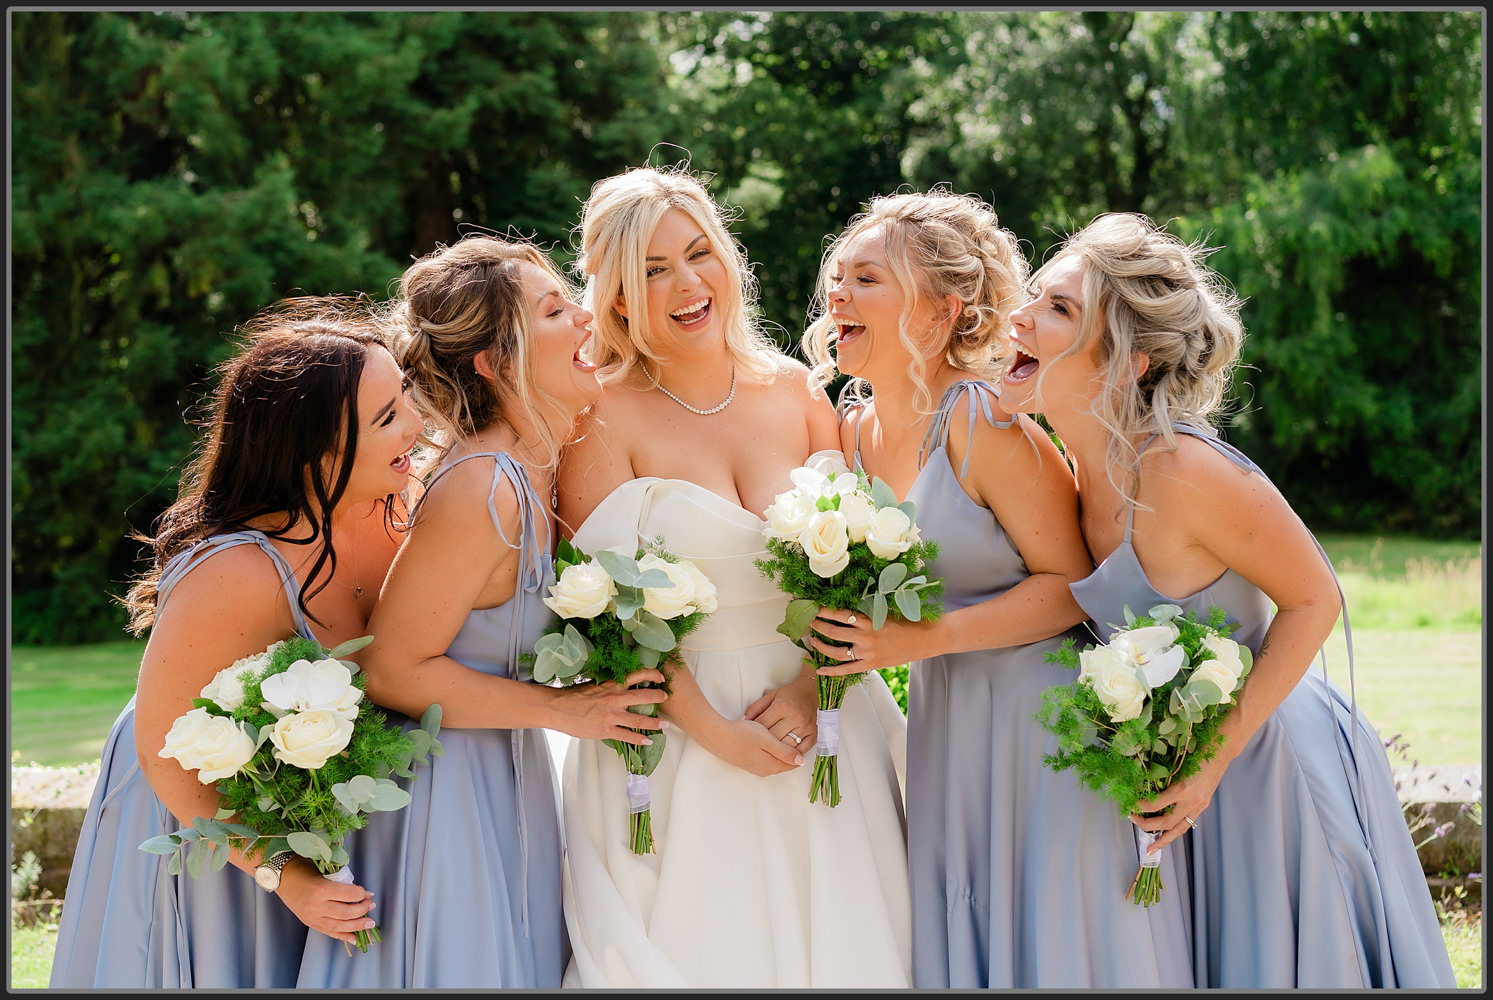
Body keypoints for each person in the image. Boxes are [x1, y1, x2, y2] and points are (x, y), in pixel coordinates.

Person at [998, 211, 1456, 988]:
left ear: (1130, 362)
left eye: (1057, 309)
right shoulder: (1069, 472)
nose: (1019, 317)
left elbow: (1315, 597)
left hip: (1267, 756)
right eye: (1034, 296)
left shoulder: (1182, 470)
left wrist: (1211, 758)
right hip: (1180, 769)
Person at [796, 190, 1196, 988]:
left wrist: (918, 642)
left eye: (866, 279)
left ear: (944, 311)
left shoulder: (983, 420)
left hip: (1040, 722)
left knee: (1058, 936)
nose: (836, 293)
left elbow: (1073, 586)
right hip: (947, 723)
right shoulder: (850, 427)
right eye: (837, 277)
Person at [553, 164, 913, 988]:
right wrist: (714, 734)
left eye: (698, 253)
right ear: (614, 297)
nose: (687, 284)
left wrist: (808, 689)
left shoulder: (794, 389)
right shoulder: (598, 416)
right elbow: (602, 614)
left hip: (820, 721)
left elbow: (853, 572)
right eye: (652, 269)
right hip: (683, 734)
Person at [295, 234, 665, 989]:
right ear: (495, 365)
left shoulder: (534, 464)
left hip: (501, 773)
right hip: (445, 799)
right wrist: (570, 713)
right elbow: (392, 670)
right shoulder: (483, 487)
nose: (588, 319)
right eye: (556, 310)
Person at [50, 299, 418, 988]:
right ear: (316, 454)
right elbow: (162, 750)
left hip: (304, 810)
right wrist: (287, 876)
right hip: (203, 816)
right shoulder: (235, 571)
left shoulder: (401, 506)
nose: (418, 427)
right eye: (388, 418)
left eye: (404, 399)